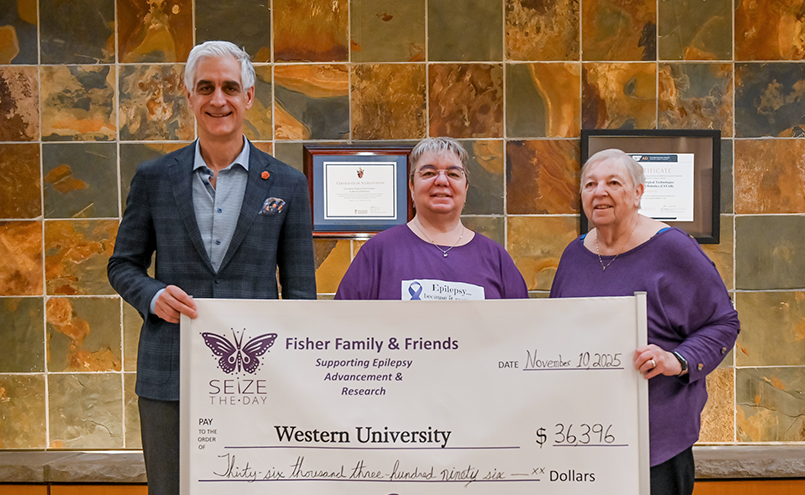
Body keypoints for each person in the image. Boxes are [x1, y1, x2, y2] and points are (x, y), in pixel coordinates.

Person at [108, 41, 316, 495]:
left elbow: (301, 294)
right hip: (169, 373)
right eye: (205, 88)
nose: (218, 99)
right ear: (189, 96)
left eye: (229, 87)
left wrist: (296, 375)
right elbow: (122, 265)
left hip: (259, 375)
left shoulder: (287, 184)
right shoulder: (154, 178)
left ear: (249, 95)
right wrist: (153, 295)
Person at [549, 149, 739, 495]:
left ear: (638, 192)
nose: (599, 191)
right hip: (584, 440)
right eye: (590, 184)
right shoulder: (573, 255)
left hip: (656, 446)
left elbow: (723, 323)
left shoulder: (674, 249)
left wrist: (677, 359)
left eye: (613, 183)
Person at [335, 137, 527, 300]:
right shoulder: (378, 252)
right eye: (428, 173)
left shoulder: (495, 258)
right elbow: (343, 325)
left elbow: (522, 326)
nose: (442, 181)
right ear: (411, 186)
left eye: (453, 174)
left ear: (466, 187)